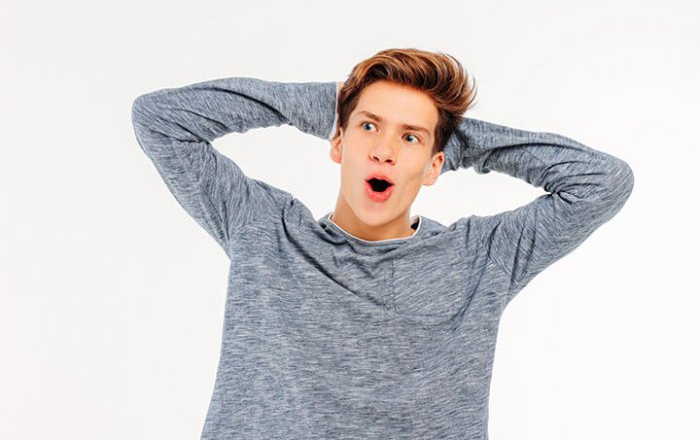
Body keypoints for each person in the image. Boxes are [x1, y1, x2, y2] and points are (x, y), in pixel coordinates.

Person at [131, 47, 634, 439]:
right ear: (338, 142)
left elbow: (603, 182)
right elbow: (159, 119)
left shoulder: (480, 258)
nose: (384, 151)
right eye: (369, 126)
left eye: (410, 138)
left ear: (435, 166)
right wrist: (328, 106)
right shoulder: (265, 232)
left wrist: (455, 137)